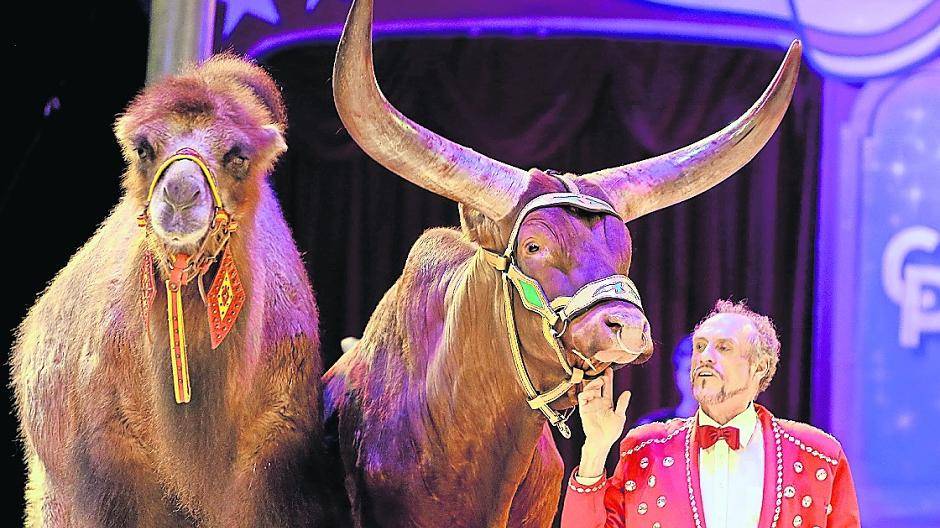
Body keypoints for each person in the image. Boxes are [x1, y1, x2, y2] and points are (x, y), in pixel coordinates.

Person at [561, 300, 860, 528]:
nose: (704, 356)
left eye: (723, 347)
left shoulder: (818, 455)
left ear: (760, 367)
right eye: (700, 346)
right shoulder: (645, 450)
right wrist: (595, 452)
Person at [635, 334, 696, 425]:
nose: (696, 378)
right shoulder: (651, 427)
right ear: (677, 374)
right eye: (689, 370)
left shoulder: (723, 428)